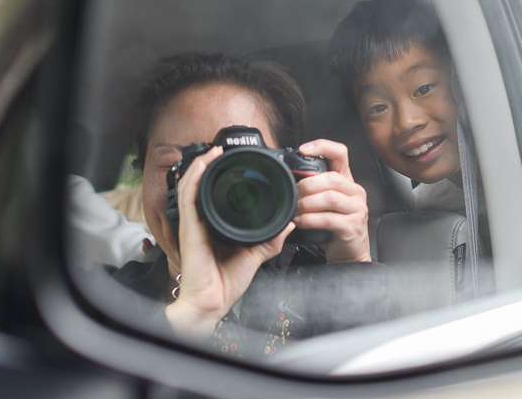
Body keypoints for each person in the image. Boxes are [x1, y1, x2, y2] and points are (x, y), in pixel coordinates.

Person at [110, 52, 384, 357]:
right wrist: (191, 314)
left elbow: (383, 394)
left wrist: (352, 267)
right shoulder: (101, 298)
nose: (199, 190)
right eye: (177, 166)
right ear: (141, 175)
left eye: (239, 168)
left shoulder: (321, 284)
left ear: (290, 180)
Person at [328, 0, 480, 217]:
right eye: (378, 108)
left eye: (424, 89)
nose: (407, 122)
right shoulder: (426, 213)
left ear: (463, 82)